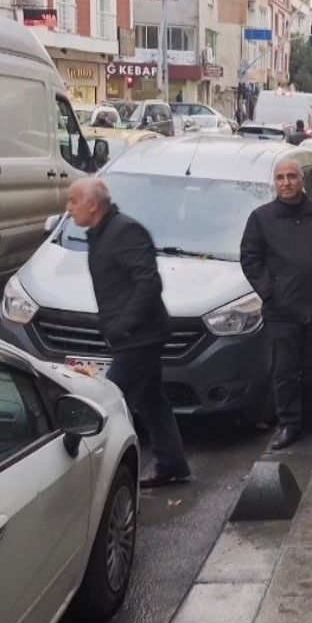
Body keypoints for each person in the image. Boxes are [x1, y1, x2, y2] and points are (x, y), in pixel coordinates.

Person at [68, 178, 191, 488]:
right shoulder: (100, 233)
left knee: (106, 401)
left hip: (140, 337)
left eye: (73, 201)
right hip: (134, 335)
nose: (68, 208)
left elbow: (148, 283)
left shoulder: (124, 231)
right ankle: (172, 464)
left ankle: (88, 476)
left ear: (93, 204)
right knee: (153, 401)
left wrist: (122, 325)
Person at [240, 157, 312, 450]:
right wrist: (270, 291)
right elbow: (250, 259)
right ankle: (289, 423)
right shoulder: (261, 219)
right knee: (285, 370)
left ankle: (308, 417)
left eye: (291, 176)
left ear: (302, 180)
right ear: (274, 183)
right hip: (282, 311)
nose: (286, 182)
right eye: (280, 177)